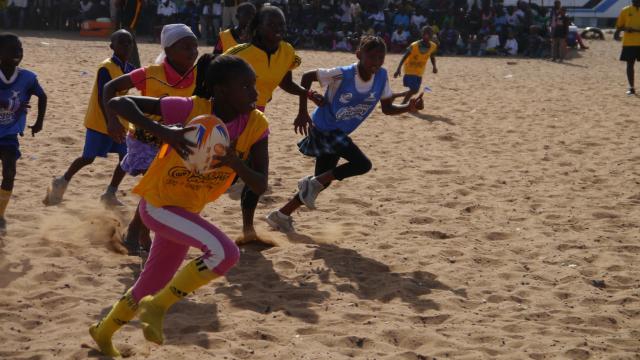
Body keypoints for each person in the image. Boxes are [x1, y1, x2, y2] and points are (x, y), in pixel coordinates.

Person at [89, 54, 268, 357]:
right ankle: (157, 306)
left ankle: (103, 332)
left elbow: (260, 184)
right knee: (226, 253)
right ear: (222, 91)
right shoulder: (192, 108)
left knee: (150, 282)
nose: (255, 94)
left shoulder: (256, 124)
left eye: (254, 86)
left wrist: (235, 161)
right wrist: (165, 132)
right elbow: (119, 103)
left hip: (187, 211)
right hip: (158, 205)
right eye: (246, 87)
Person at [265, 35, 424, 233]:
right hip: (325, 128)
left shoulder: (382, 77)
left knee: (320, 182)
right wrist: (303, 111)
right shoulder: (342, 74)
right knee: (362, 164)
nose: (375, 63)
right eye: (371, 57)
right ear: (359, 55)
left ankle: (280, 215)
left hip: (337, 131)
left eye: (380, 58)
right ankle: (310, 185)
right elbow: (307, 76)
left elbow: (388, 108)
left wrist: (409, 107)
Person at [102, 23, 199, 255]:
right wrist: (112, 120)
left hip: (177, 140)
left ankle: (139, 234)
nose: (193, 52)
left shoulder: (198, 75)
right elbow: (110, 87)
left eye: (195, 46)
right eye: (186, 47)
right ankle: (136, 234)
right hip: (146, 138)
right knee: (156, 188)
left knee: (161, 190)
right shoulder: (150, 73)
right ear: (169, 49)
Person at [225, 5, 315, 243]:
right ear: (258, 27)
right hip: (230, 117)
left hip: (258, 118)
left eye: (281, 25)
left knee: (258, 176)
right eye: (272, 25)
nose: (278, 29)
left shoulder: (287, 51)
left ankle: (248, 231)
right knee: (214, 174)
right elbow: (214, 83)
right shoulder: (240, 52)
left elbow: (286, 83)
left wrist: (306, 99)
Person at [44, 30, 135, 207]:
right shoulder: (106, 67)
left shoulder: (130, 69)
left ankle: (110, 193)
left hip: (120, 121)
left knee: (126, 157)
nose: (126, 45)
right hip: (100, 121)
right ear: (112, 46)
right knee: (88, 158)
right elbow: (104, 96)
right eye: (121, 42)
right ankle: (61, 181)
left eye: (129, 42)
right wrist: (111, 121)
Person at [0, 33, 47, 232]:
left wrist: (39, 122)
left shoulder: (27, 77)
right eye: (12, 49)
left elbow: (42, 96)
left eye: (20, 49)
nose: (18, 52)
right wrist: (12, 105)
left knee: (9, 172)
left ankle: (0, 213)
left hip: (9, 135)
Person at [393, 26, 437, 104]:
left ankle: (395, 96)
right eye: (425, 34)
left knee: (414, 90)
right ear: (422, 34)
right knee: (414, 89)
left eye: (429, 34)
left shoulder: (433, 46)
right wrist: (398, 69)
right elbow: (404, 56)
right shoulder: (414, 45)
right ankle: (403, 104)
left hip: (420, 71)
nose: (426, 36)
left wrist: (434, 66)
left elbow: (432, 56)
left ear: (431, 35)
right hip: (409, 70)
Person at [614, 0, 640, 95]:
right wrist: (623, 30)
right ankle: (631, 88)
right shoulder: (625, 10)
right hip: (629, 43)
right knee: (630, 65)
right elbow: (619, 26)